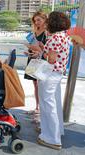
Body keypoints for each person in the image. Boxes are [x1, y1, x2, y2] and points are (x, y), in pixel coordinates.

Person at [28, 11, 71, 150]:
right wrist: (43, 50)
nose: (46, 23)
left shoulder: (54, 38)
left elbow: (51, 59)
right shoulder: (64, 36)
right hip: (58, 73)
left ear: (52, 23)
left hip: (50, 73)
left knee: (48, 105)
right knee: (54, 103)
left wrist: (40, 51)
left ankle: (51, 138)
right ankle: (56, 132)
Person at [24, 11, 47, 117]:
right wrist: (29, 51)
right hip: (33, 59)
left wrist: (31, 47)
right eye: (35, 20)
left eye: (39, 20)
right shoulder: (34, 31)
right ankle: (37, 107)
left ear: (45, 20)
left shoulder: (47, 32)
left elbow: (46, 49)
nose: (37, 22)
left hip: (42, 60)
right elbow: (34, 47)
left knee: (41, 85)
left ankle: (42, 108)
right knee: (35, 84)